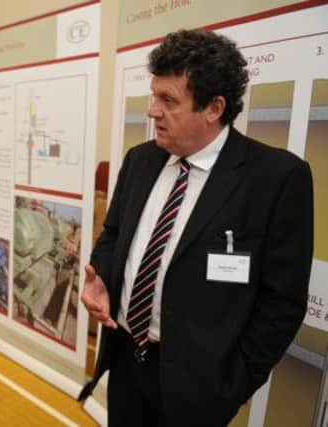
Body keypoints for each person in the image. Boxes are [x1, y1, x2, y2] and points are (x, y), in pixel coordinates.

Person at [79, 29, 313, 427]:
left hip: (198, 390)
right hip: (127, 364)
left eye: (168, 100)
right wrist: (103, 274)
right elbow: (114, 234)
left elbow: (282, 303)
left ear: (214, 107)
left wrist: (232, 385)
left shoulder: (276, 178)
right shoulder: (140, 161)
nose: (152, 110)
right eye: (154, 96)